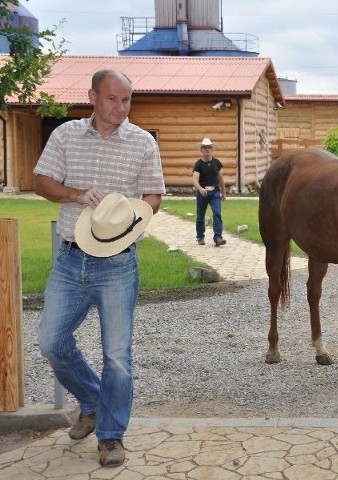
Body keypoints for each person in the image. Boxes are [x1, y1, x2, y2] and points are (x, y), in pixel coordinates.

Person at [33, 69, 165, 468]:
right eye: (112, 99)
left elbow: (154, 195)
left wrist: (128, 213)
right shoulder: (66, 135)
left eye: (127, 100)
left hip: (120, 262)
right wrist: (75, 194)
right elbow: (40, 181)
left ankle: (110, 436)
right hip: (72, 256)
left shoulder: (143, 143)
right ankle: (92, 400)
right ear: (92, 95)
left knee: (118, 356)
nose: (121, 108)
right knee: (51, 342)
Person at [192, 137, 227, 246]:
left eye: (209, 148)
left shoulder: (217, 163)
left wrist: (224, 193)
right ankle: (200, 237)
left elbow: (221, 178)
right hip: (203, 193)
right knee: (200, 215)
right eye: (205, 148)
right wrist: (200, 189)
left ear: (212, 150)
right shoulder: (198, 164)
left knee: (217, 213)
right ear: (201, 150)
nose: (207, 150)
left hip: (215, 192)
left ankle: (218, 237)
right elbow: (195, 180)